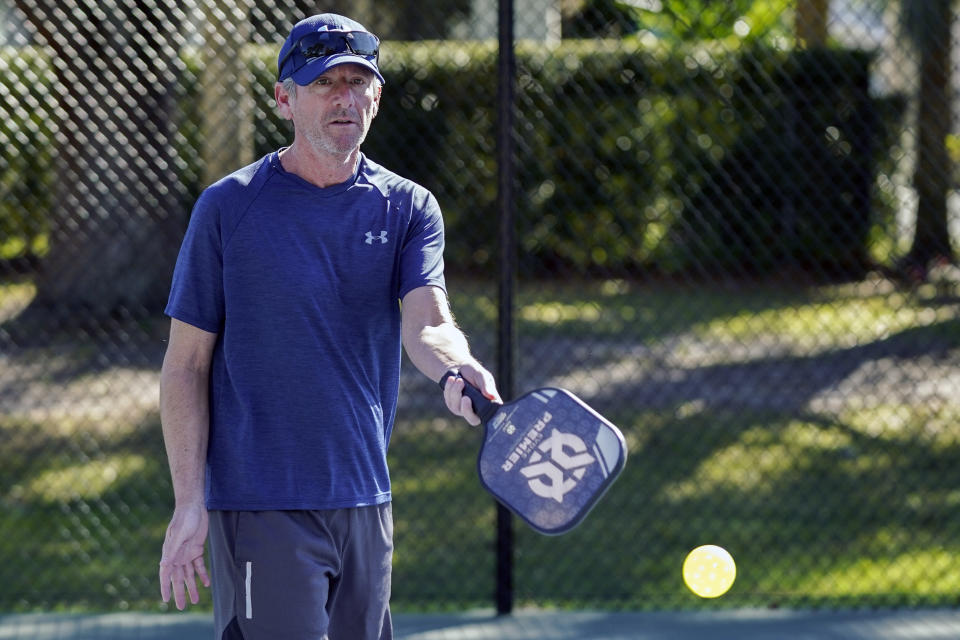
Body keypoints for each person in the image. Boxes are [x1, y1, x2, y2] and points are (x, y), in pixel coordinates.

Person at [157, 13, 500, 640]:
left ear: (377, 96)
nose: (344, 98)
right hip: (261, 502)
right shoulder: (228, 208)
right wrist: (189, 503)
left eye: (357, 82)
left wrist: (458, 364)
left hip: (366, 498)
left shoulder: (409, 207)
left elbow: (428, 323)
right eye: (324, 83)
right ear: (285, 99)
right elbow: (186, 366)